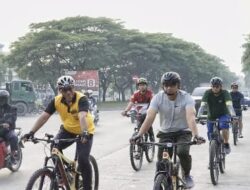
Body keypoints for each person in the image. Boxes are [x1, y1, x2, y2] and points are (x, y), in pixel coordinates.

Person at [130, 72, 205, 189]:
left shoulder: (186, 98)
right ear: (162, 86)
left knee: (182, 152)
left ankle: (187, 174)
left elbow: (190, 118)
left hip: (183, 131)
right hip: (165, 133)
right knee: (162, 161)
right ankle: (161, 181)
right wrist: (139, 135)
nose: (169, 88)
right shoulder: (157, 98)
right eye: (166, 85)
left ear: (178, 85)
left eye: (172, 85)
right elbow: (149, 117)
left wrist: (196, 135)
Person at [23, 76, 95, 190]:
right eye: (64, 90)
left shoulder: (81, 99)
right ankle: (64, 175)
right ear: (60, 90)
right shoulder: (56, 101)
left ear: (73, 87)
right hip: (68, 129)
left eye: (70, 88)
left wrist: (85, 132)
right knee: (54, 148)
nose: (68, 92)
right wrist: (31, 132)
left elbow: (82, 116)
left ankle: (88, 187)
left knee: (82, 159)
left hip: (85, 131)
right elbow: (44, 117)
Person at [197, 77, 235, 154]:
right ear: (211, 86)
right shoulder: (207, 93)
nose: (215, 88)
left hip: (223, 114)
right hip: (211, 116)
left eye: (217, 86)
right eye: (213, 86)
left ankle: (226, 143)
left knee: (224, 126)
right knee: (210, 134)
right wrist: (199, 116)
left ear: (221, 86)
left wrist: (233, 115)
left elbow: (229, 105)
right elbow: (203, 105)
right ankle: (212, 154)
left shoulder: (225, 93)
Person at [0, 90, 18, 160]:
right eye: (1, 98)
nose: (2, 100)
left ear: (7, 99)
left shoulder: (12, 108)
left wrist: (8, 123)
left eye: (3, 98)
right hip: (0, 129)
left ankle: (13, 154)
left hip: (8, 129)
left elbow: (13, 117)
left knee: (13, 137)